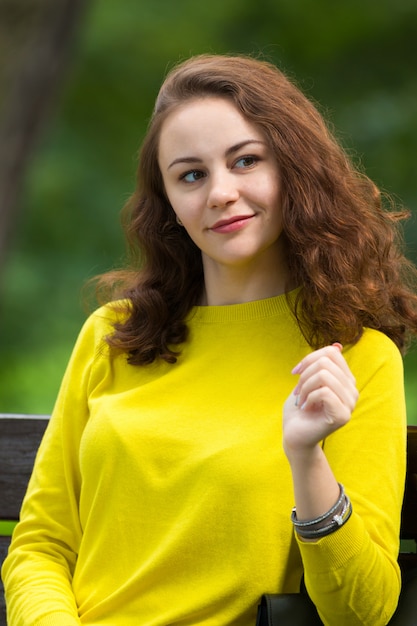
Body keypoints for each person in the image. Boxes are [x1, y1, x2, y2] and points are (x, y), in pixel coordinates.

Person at [3, 54, 417, 626]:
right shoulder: (114, 335)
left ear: (295, 170)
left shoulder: (355, 358)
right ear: (169, 201)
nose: (221, 192)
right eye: (191, 174)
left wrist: (307, 456)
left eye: (245, 161)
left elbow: (362, 612)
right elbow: (41, 546)